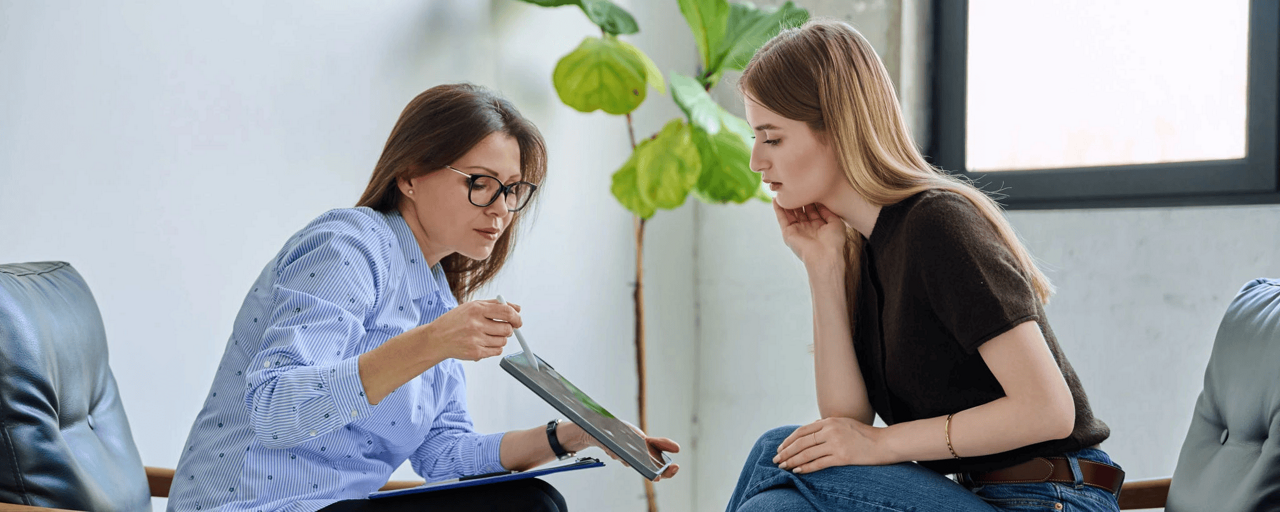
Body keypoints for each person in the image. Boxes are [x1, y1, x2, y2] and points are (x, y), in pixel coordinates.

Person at [167, 83, 679, 512]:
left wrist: (571, 434)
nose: (501, 210)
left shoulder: (435, 294)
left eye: (514, 190)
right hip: (256, 506)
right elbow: (276, 410)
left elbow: (446, 456)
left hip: (338, 507)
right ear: (409, 175)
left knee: (532, 499)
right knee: (530, 508)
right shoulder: (347, 245)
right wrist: (433, 343)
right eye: (480, 184)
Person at [725, 20, 1121, 512]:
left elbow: (1048, 410)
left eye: (772, 138)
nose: (755, 161)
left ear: (838, 129)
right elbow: (845, 423)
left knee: (774, 451)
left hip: (1051, 498)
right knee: (778, 505)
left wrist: (881, 446)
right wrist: (823, 265)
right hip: (976, 494)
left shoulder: (936, 225)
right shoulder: (866, 247)